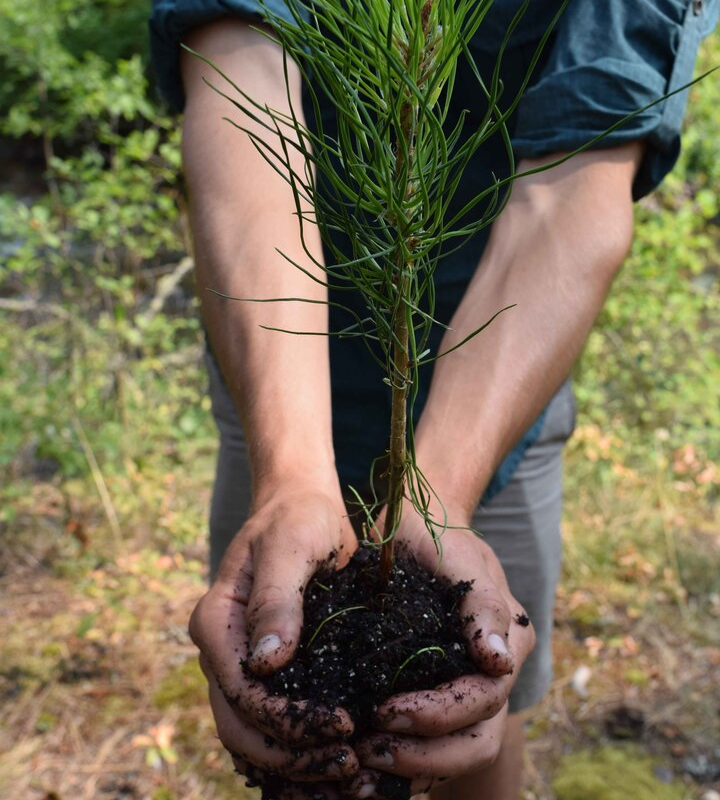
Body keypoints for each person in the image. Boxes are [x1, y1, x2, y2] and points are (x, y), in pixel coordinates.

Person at [149, 1, 717, 798]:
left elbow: (575, 176)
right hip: (270, 363)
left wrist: (439, 498)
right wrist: (290, 477)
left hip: (504, 373)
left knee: (480, 725)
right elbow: (241, 76)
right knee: (291, 737)